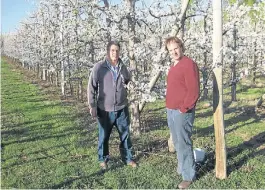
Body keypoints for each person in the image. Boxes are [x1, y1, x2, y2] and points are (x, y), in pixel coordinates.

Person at [87, 40, 137, 170]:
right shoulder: (99, 67)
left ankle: (128, 158)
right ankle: (103, 158)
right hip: (105, 109)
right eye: (112, 50)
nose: (115, 53)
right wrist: (92, 105)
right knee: (103, 136)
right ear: (108, 52)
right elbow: (91, 87)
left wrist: (128, 85)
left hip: (121, 108)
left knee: (125, 135)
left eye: (117, 50)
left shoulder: (122, 66)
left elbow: (127, 80)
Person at [165, 37, 200, 189]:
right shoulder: (174, 65)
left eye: (176, 48)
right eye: (170, 50)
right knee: (177, 141)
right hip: (171, 109)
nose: (174, 52)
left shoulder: (188, 64)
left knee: (184, 142)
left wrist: (184, 108)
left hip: (181, 111)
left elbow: (193, 90)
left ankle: (188, 175)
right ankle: (182, 167)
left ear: (181, 47)